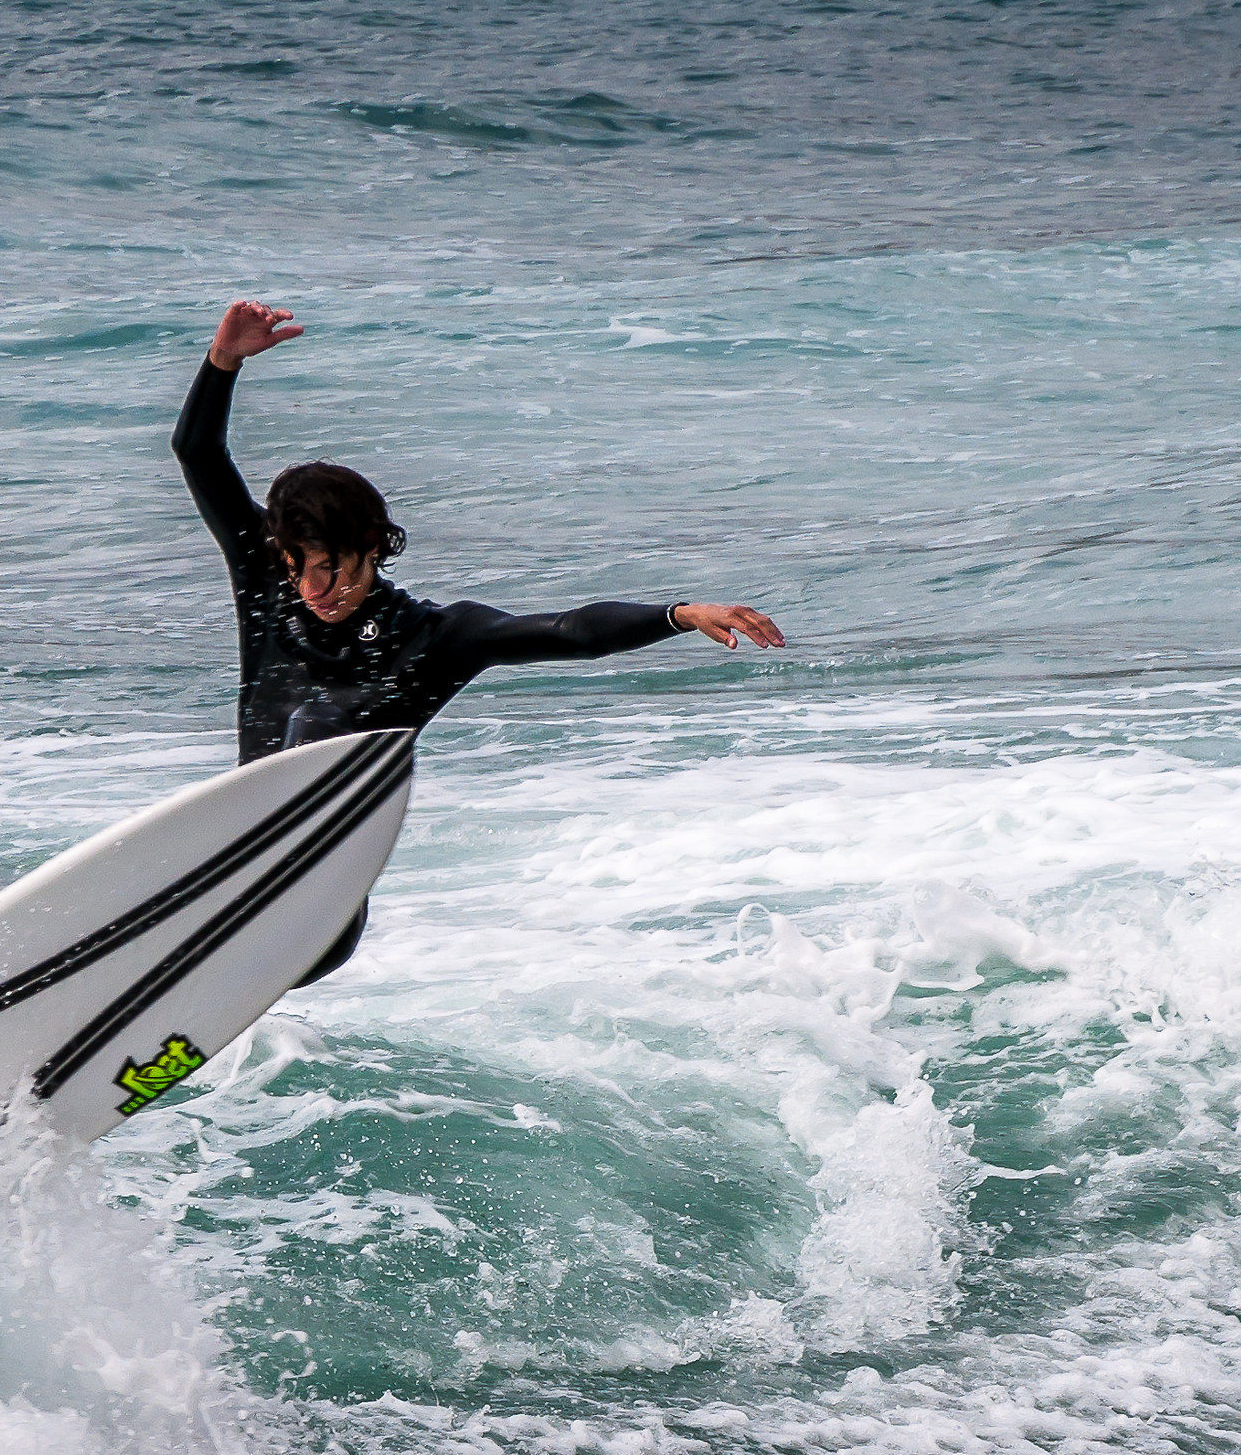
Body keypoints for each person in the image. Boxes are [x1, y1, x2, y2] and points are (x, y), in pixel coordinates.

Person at [172, 297, 784, 982]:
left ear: (372, 547)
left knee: (321, 723)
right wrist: (223, 361)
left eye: (331, 568)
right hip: (232, 880)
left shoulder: (433, 638)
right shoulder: (269, 576)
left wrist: (677, 613)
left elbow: (569, 632)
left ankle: (218, 921)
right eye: (300, 568)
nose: (314, 588)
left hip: (318, 915)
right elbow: (197, 453)